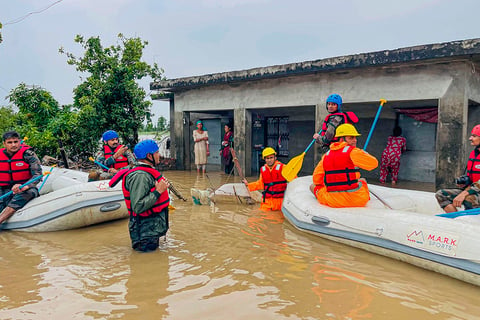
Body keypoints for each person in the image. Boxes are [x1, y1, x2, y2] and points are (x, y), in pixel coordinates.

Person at [109, 139, 170, 252]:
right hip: (144, 233)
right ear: (149, 156)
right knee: (147, 263)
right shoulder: (140, 176)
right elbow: (138, 206)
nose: (159, 155)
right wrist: (158, 191)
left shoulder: (146, 172)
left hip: (150, 230)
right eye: (156, 152)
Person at [310, 124, 378, 208]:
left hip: (332, 200)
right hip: (357, 200)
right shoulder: (354, 152)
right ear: (342, 139)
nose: (355, 140)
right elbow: (374, 164)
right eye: (351, 138)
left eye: (355, 137)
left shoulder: (326, 155)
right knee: (362, 180)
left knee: (313, 186)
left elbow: (316, 180)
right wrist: (363, 153)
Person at [0, 131, 43, 225]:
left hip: (25, 188)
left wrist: (25, 186)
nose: (13, 145)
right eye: (10, 142)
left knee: (29, 192)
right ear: (4, 144)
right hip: (4, 189)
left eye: (16, 142)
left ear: (20, 141)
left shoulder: (28, 154)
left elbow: (38, 174)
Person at [435, 125, 480, 213]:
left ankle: (472, 224)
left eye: (474, 136)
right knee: (441, 195)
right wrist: (465, 182)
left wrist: (464, 193)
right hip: (473, 189)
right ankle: (458, 221)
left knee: (469, 198)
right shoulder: (473, 154)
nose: (470, 138)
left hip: (474, 191)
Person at [242, 147, 287, 211]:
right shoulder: (263, 169)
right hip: (266, 202)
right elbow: (260, 184)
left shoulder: (283, 167)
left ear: (275, 157)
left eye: (271, 157)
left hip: (279, 202)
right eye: (267, 158)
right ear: (265, 159)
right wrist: (248, 185)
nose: (269, 160)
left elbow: (293, 180)